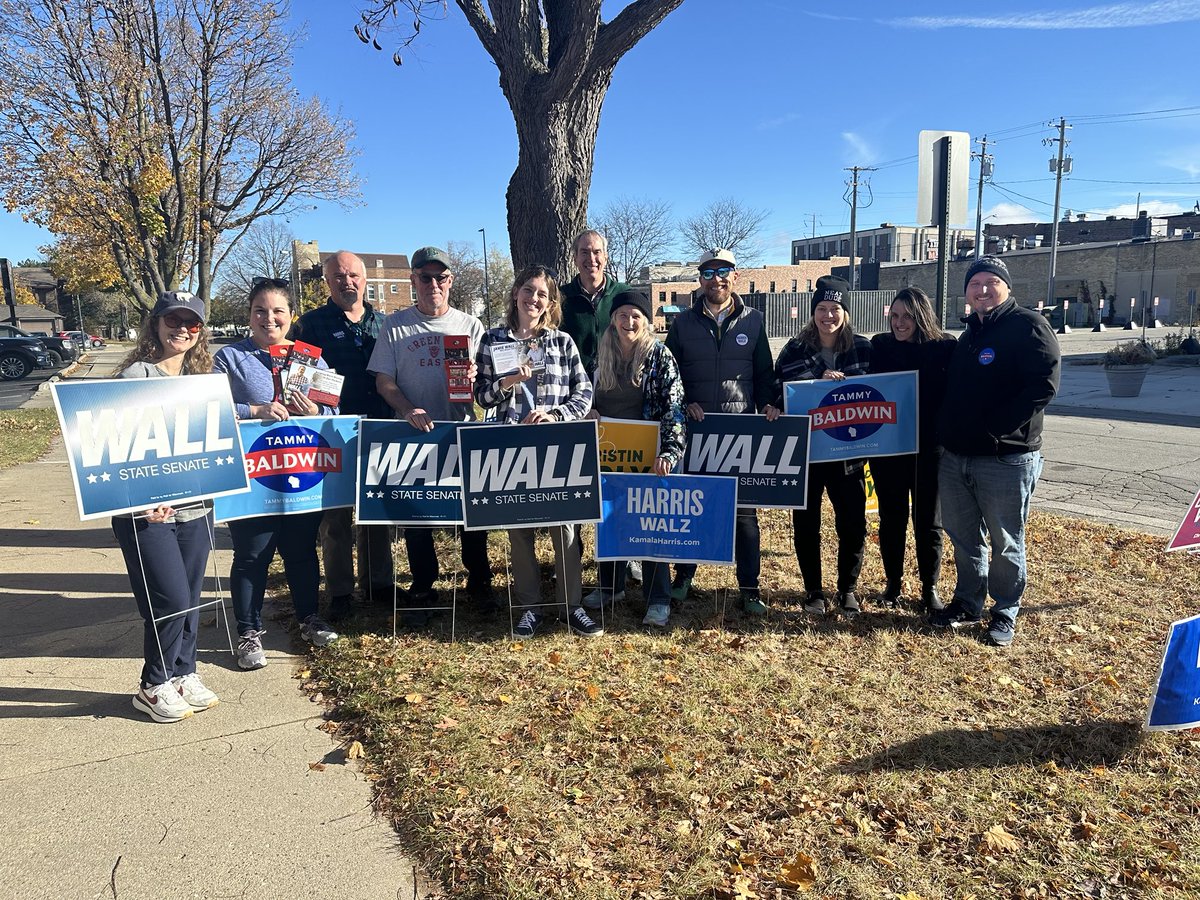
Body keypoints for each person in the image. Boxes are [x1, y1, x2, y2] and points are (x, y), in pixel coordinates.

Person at [931, 256, 1060, 647]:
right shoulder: (970, 334)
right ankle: (968, 601)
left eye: (991, 282)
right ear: (966, 292)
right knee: (964, 536)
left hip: (1006, 458)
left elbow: (1044, 384)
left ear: (1006, 287)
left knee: (1006, 539)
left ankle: (1005, 610)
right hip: (957, 457)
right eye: (975, 284)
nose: (983, 290)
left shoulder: (1027, 326)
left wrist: (997, 428)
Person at [213, 279, 340, 669]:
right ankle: (249, 632)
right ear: (249, 315)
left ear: (290, 315)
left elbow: (334, 412)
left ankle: (308, 618)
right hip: (252, 474)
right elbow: (210, 408)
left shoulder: (309, 359)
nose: (269, 318)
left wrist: (316, 412)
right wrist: (255, 411)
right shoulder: (229, 358)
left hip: (301, 472)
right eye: (260, 311)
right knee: (252, 555)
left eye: (278, 311)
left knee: (301, 552)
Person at [367, 246, 497, 622]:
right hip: (413, 433)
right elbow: (383, 381)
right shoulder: (395, 325)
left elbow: (489, 386)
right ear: (413, 281)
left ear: (451, 282)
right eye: (426, 277)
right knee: (417, 512)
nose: (434, 284)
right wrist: (407, 408)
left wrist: (477, 379)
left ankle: (479, 580)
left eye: (441, 278)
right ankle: (424, 583)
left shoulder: (471, 325)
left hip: (460, 428)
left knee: (470, 512)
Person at [474, 265, 601, 638]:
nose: (534, 299)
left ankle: (570, 606)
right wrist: (508, 382)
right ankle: (529, 607)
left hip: (556, 446)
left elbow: (584, 394)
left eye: (542, 294)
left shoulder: (562, 342)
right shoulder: (493, 339)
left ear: (550, 303)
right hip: (511, 447)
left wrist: (556, 414)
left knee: (565, 528)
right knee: (520, 530)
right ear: (516, 293)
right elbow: (481, 395)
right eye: (528, 290)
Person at [115, 291, 219, 723]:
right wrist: (143, 499)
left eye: (191, 323)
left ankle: (183, 673)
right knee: (169, 597)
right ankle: (153, 684)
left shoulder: (205, 377)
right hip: (148, 514)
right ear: (155, 323)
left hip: (196, 508)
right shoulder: (135, 375)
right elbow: (115, 443)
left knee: (190, 598)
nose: (182, 329)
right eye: (173, 320)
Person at [665, 249, 780, 615]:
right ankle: (683, 576)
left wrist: (767, 404)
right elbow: (670, 375)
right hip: (697, 431)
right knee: (692, 508)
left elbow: (764, 373)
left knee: (744, 516)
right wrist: (683, 406)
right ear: (700, 279)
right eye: (709, 272)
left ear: (736, 275)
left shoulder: (754, 321)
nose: (717, 279)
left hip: (738, 432)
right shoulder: (682, 324)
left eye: (724, 271)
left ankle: (749, 588)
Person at [295, 251, 394, 621]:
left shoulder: (386, 324)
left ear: (365, 280)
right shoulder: (309, 325)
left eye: (353, 275)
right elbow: (298, 378)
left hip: (379, 427)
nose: (347, 281)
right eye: (338, 276)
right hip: (331, 431)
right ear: (327, 281)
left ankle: (379, 583)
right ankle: (340, 592)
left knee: (376, 511)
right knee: (335, 517)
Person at [581, 290, 685, 628]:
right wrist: (589, 410)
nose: (629, 321)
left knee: (649, 524)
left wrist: (669, 452)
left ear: (646, 320)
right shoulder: (600, 356)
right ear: (613, 319)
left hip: (649, 454)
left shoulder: (659, 356)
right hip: (608, 451)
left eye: (636, 315)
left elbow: (674, 408)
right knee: (608, 519)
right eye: (623, 314)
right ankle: (611, 587)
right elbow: (581, 394)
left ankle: (657, 599)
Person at [774, 275, 872, 618]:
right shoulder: (794, 349)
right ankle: (813, 590)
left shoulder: (863, 348)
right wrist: (814, 384)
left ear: (845, 312)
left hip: (848, 454)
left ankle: (848, 589)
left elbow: (882, 392)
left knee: (852, 523)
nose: (827, 315)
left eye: (834, 309)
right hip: (807, 452)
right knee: (806, 523)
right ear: (812, 312)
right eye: (821, 309)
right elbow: (778, 390)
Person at [868, 287, 957, 612]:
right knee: (892, 518)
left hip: (930, 449)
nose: (900, 323)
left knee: (928, 521)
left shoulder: (945, 346)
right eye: (894, 316)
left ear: (921, 315)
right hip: (889, 447)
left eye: (907, 316)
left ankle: (929, 587)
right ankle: (892, 584)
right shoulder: (880, 346)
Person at [559, 229, 629, 377]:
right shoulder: (560, 297)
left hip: (618, 386)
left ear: (606, 257)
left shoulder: (625, 295)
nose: (591, 258)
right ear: (575, 258)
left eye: (597, 252)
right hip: (573, 387)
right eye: (584, 252)